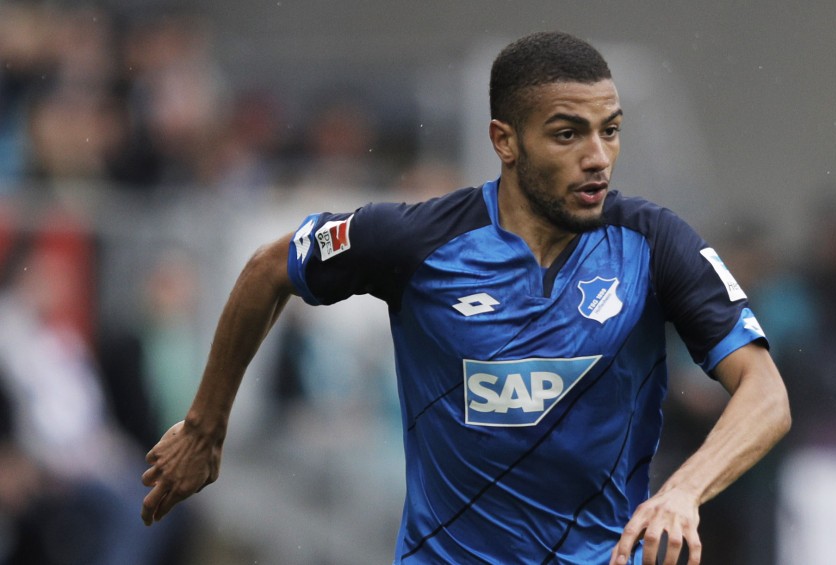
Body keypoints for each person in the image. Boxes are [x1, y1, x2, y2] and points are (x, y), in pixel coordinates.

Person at [140, 31, 790, 565]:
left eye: (610, 130)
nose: (599, 157)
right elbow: (267, 268)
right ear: (504, 140)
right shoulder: (416, 240)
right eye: (568, 134)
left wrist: (683, 490)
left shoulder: (653, 242)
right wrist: (206, 424)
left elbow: (765, 393)